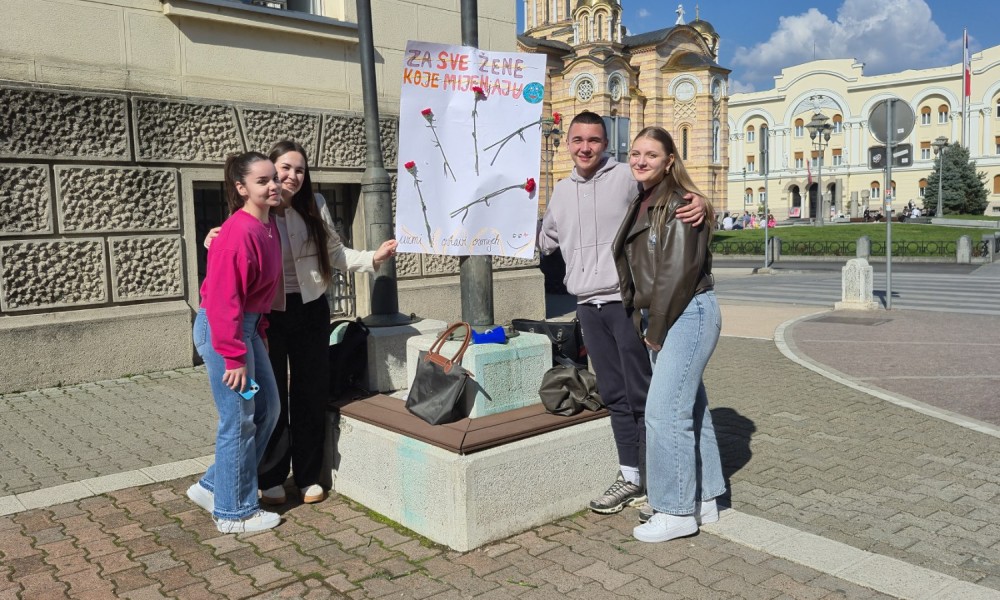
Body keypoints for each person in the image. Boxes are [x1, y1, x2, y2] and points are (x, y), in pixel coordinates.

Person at [204, 140, 397, 506]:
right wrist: (211, 238)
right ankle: (272, 475)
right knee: (272, 393)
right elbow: (232, 243)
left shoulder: (315, 206)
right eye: (284, 170)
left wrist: (374, 257)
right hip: (267, 316)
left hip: (310, 309)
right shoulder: (258, 209)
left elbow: (335, 253)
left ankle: (308, 474)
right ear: (270, 174)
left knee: (310, 391)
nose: (291, 177)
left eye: (299, 170)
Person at [538, 111, 706, 515]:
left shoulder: (628, 179)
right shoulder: (559, 192)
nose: (584, 147)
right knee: (613, 393)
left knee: (643, 394)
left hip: (626, 303)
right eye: (577, 140)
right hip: (586, 305)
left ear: (605, 143)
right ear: (568, 144)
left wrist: (700, 202)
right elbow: (546, 241)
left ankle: (657, 480)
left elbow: (672, 189)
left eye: (593, 140)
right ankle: (630, 476)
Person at [612, 126, 725, 543]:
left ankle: (676, 511)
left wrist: (654, 330)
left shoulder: (677, 203)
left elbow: (677, 275)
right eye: (636, 152)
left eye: (652, 155)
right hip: (674, 313)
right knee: (692, 409)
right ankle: (706, 499)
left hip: (684, 312)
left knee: (664, 414)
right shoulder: (646, 199)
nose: (641, 160)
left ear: (669, 161)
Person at [188, 151, 284, 533]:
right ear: (241, 188)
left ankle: (214, 486)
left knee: (269, 409)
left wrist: (254, 337)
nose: (274, 184)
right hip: (223, 331)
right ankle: (233, 513)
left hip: (247, 329)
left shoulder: (268, 225)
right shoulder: (239, 232)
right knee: (239, 419)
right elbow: (223, 298)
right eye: (263, 181)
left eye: (274, 178)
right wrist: (234, 357)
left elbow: (253, 298)